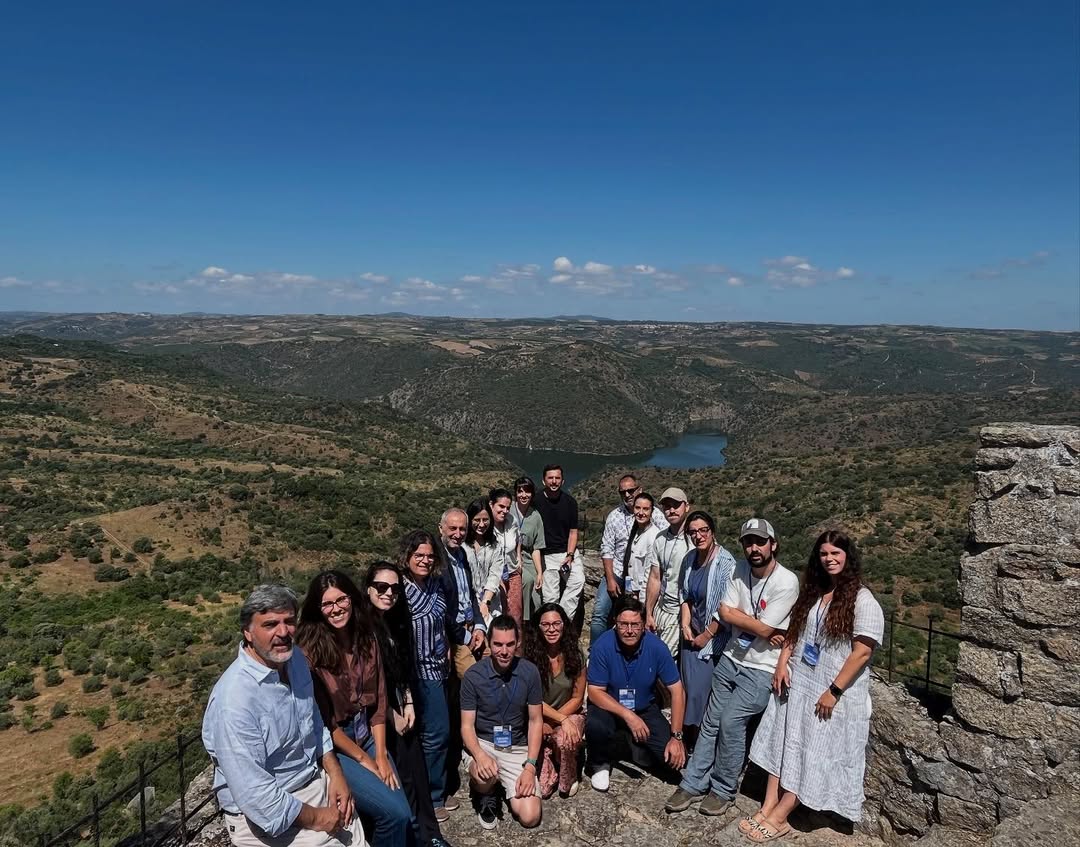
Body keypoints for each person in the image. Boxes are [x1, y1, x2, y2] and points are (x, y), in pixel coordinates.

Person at [745, 530, 885, 841]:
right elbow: (795, 631)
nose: (829, 559)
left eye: (835, 553)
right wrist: (782, 662)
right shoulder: (815, 592)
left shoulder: (863, 600)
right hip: (800, 682)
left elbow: (862, 651)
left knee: (812, 748)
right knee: (782, 740)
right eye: (824, 554)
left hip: (829, 691)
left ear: (847, 557)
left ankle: (781, 815)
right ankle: (768, 804)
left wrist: (833, 691)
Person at [202, 584, 366, 847]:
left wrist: (335, 774)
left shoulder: (296, 659)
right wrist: (319, 818)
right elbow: (256, 795)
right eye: (270, 624)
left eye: (289, 621)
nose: (283, 632)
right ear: (248, 632)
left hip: (311, 782)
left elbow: (313, 722)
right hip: (269, 814)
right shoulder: (234, 701)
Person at [665, 518, 800, 818]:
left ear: (773, 545)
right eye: (748, 542)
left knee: (730, 721)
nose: (754, 548)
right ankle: (692, 783)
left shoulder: (786, 581)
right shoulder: (740, 569)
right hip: (731, 657)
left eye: (760, 541)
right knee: (711, 720)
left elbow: (751, 621)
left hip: (761, 668)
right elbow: (726, 613)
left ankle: (723, 788)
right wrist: (758, 626)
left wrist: (744, 618)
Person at [297, 572, 413, 847]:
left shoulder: (367, 638)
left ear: (352, 599)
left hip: (371, 732)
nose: (336, 609)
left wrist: (382, 755)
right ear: (317, 608)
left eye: (342, 600)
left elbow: (380, 699)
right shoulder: (309, 653)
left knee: (404, 813)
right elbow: (323, 723)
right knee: (394, 814)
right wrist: (365, 760)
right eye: (327, 604)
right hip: (338, 745)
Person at [363, 561, 452, 847]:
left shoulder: (396, 622)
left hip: (399, 704)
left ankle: (428, 833)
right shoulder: (362, 629)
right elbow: (367, 686)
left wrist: (410, 702)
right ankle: (414, 835)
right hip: (374, 716)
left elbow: (404, 668)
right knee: (403, 772)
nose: (388, 593)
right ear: (368, 589)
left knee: (417, 768)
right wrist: (392, 715)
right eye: (381, 587)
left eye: (395, 588)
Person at [585, 597, 687, 792]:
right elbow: (595, 692)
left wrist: (677, 737)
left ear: (643, 625)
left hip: (644, 707)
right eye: (623, 624)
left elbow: (677, 690)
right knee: (595, 725)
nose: (629, 630)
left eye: (635, 625)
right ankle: (599, 763)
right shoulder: (602, 646)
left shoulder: (656, 647)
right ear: (615, 622)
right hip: (609, 707)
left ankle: (632, 747)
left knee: (672, 762)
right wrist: (628, 715)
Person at [460, 615, 544, 831]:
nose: (504, 651)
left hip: (516, 746)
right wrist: (479, 755)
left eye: (509, 644)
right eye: (497, 644)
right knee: (483, 774)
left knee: (530, 816)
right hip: (484, 742)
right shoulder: (473, 676)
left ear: (517, 643)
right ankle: (486, 793)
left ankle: (503, 782)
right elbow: (466, 726)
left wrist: (530, 767)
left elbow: (535, 721)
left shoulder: (529, 672)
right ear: (489, 642)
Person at [399, 530, 459, 823]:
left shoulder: (435, 584)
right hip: (416, 672)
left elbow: (444, 620)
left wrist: (447, 644)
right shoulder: (400, 589)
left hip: (439, 666)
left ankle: (430, 791)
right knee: (436, 734)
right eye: (418, 555)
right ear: (407, 556)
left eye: (429, 556)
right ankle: (432, 797)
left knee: (433, 733)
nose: (424, 560)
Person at [677, 512, 737, 743]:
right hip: (690, 633)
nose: (698, 536)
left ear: (712, 531)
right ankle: (685, 738)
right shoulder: (690, 559)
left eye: (703, 530)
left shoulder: (725, 563)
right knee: (685, 687)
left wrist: (706, 635)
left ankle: (702, 741)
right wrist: (684, 623)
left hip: (711, 639)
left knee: (700, 693)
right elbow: (684, 594)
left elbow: (726, 607)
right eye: (693, 532)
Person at [591, 475, 667, 646]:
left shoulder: (656, 516)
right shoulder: (614, 517)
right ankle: (594, 653)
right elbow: (607, 549)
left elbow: (666, 540)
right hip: (618, 571)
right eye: (622, 492)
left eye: (631, 491)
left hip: (643, 575)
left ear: (639, 489)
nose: (627, 495)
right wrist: (610, 579)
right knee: (599, 612)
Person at [523, 603, 586, 799]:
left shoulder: (575, 654)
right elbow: (530, 699)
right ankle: (548, 756)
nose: (552, 629)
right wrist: (547, 722)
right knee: (544, 789)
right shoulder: (528, 657)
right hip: (537, 715)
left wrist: (560, 720)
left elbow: (577, 698)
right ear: (538, 627)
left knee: (564, 737)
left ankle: (569, 773)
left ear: (564, 625)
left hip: (569, 713)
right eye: (546, 624)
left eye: (556, 623)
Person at [438, 508, 487, 679]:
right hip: (455, 633)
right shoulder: (436, 561)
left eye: (462, 529)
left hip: (471, 626)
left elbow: (471, 594)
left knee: (497, 664)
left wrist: (480, 626)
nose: (458, 534)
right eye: (453, 528)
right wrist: (465, 637)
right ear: (441, 529)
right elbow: (441, 609)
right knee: (476, 680)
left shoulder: (461, 554)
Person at [532, 465, 586, 619]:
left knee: (577, 580)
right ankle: (551, 622)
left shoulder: (570, 502)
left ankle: (562, 619)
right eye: (550, 478)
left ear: (562, 481)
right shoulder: (536, 501)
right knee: (550, 596)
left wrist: (569, 555)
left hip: (567, 552)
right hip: (547, 554)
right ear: (543, 481)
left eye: (557, 478)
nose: (554, 481)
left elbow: (573, 532)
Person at [644, 488, 693, 657]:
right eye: (667, 507)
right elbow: (655, 577)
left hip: (680, 612)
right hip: (661, 607)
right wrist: (648, 613)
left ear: (686, 507)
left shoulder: (696, 539)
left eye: (676, 505)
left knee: (661, 657)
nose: (671, 510)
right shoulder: (660, 538)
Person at [510, 476, 547, 623]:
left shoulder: (536, 516)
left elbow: (536, 548)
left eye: (527, 491)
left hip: (528, 557)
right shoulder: (509, 510)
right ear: (516, 493)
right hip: (511, 556)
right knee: (526, 580)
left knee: (537, 596)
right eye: (520, 491)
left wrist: (539, 572)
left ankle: (533, 627)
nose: (523, 495)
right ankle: (521, 621)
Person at [489, 487, 523, 630]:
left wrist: (519, 558)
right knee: (498, 617)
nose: (505, 511)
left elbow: (518, 539)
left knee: (515, 616)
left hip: (512, 572)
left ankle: (517, 650)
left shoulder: (512, 520)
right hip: (493, 576)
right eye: (501, 506)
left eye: (508, 507)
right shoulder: (485, 524)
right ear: (491, 505)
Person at [465, 498, 502, 622]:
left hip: (490, 602)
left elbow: (495, 575)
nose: (481, 524)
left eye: (485, 520)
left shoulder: (495, 545)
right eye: (477, 520)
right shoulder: (462, 545)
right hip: (466, 603)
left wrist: (486, 602)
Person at [623, 492, 663, 604]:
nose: (641, 513)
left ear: (652, 512)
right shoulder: (635, 531)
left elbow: (649, 574)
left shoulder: (653, 536)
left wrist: (643, 604)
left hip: (642, 596)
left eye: (645, 509)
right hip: (631, 592)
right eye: (637, 508)